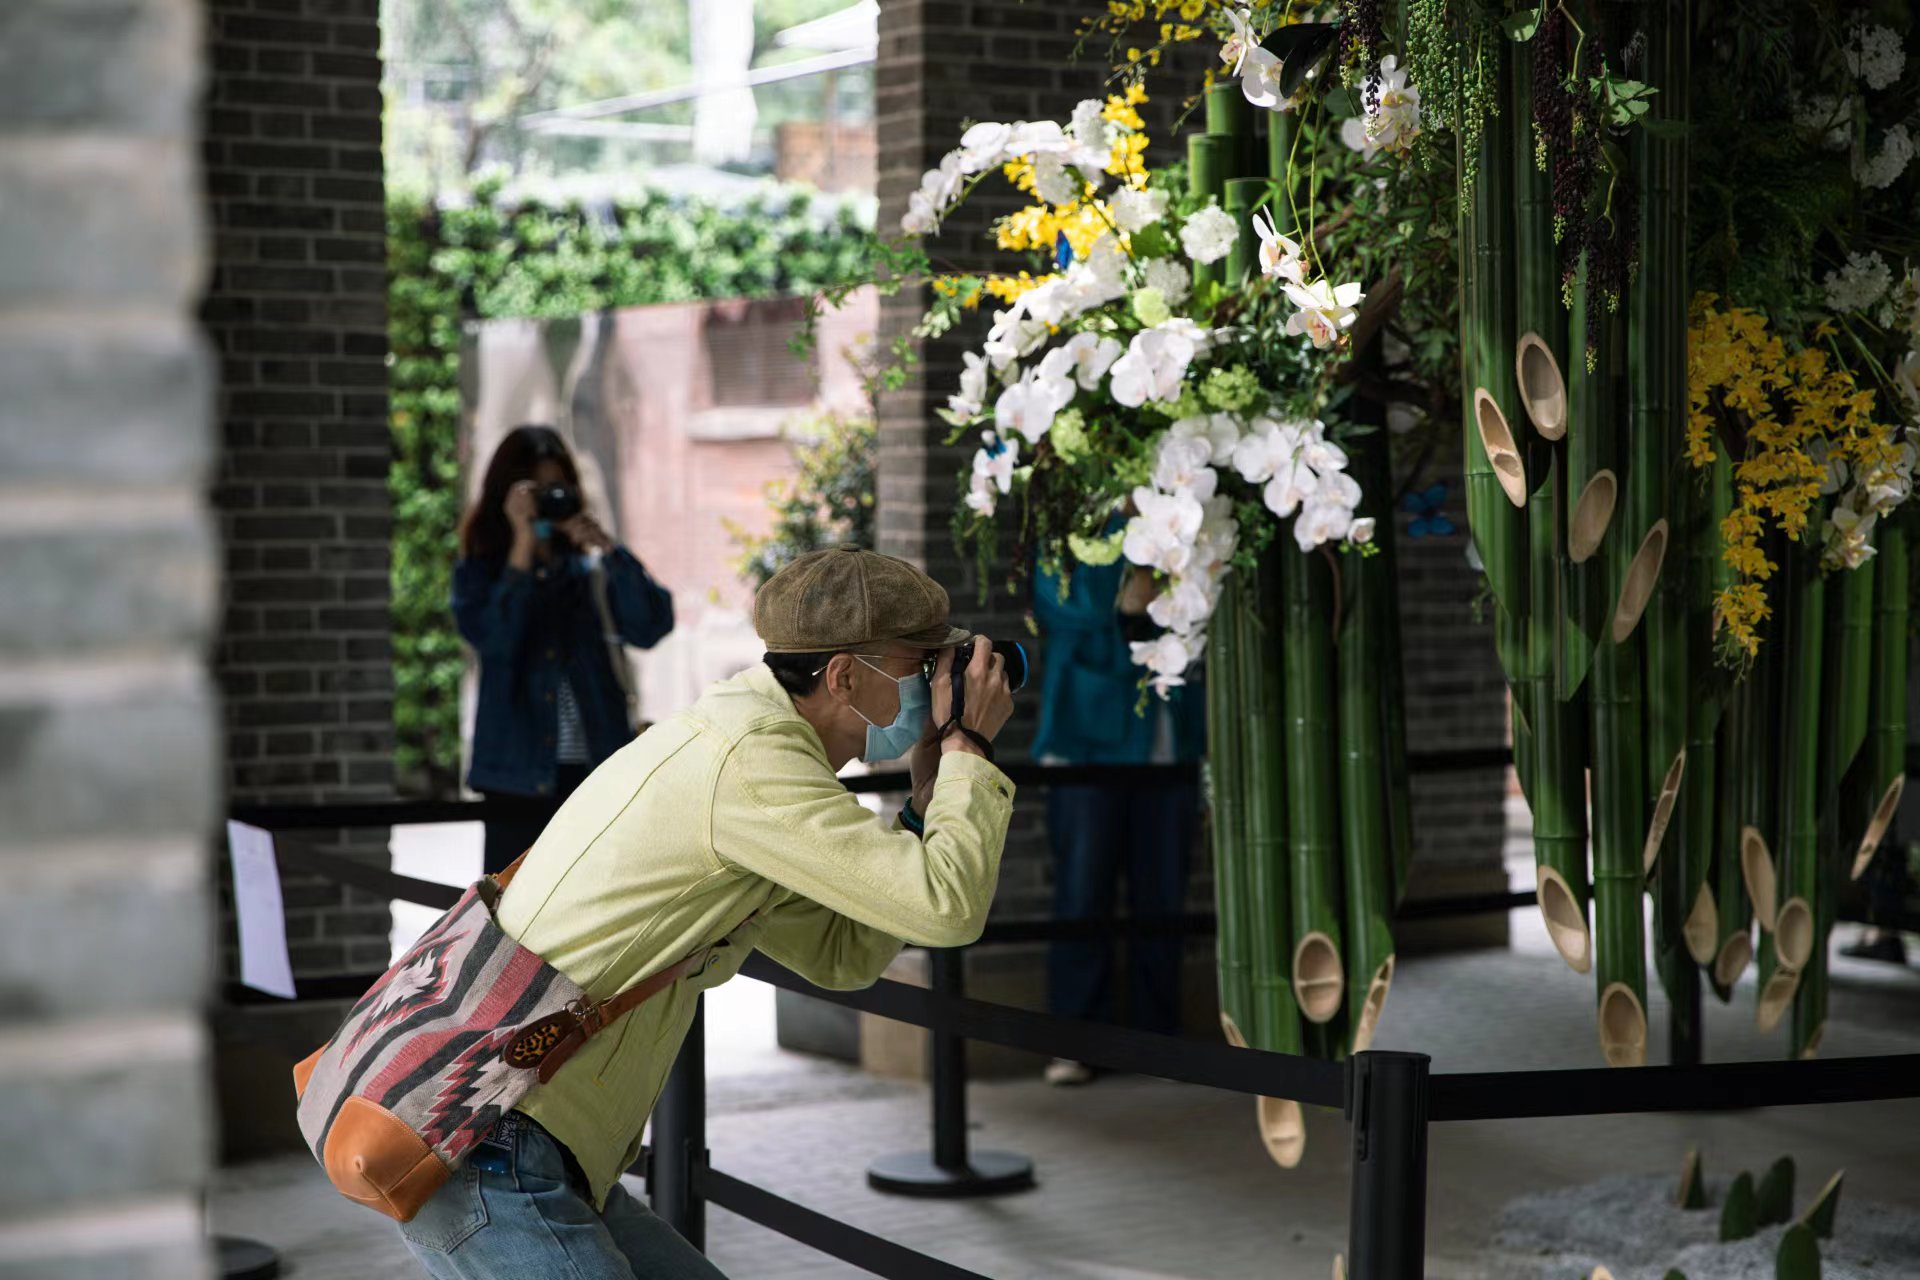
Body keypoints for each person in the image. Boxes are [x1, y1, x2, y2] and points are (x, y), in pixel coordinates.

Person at [398, 547, 1017, 1280]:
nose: (938, 692)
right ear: (845, 676)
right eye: (923, 669)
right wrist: (969, 748)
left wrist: (923, 804)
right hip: (495, 1147)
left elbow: (839, 955)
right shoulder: (754, 766)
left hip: (532, 1145)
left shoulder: (742, 742)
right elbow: (947, 910)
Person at [453, 425, 675, 875]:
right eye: (535, 491)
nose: (547, 502)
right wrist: (521, 545)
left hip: (596, 771)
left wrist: (609, 550)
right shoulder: (480, 573)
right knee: (514, 917)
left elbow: (651, 625)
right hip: (516, 780)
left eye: (557, 488)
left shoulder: (588, 570)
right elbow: (496, 644)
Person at [1030, 551, 1206, 1086]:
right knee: (1082, 894)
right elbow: (1065, 606)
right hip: (1084, 738)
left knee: (1164, 898)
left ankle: (1159, 1038)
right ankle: (1078, 1040)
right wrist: (1133, 575)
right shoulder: (1071, 516)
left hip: (1169, 739)